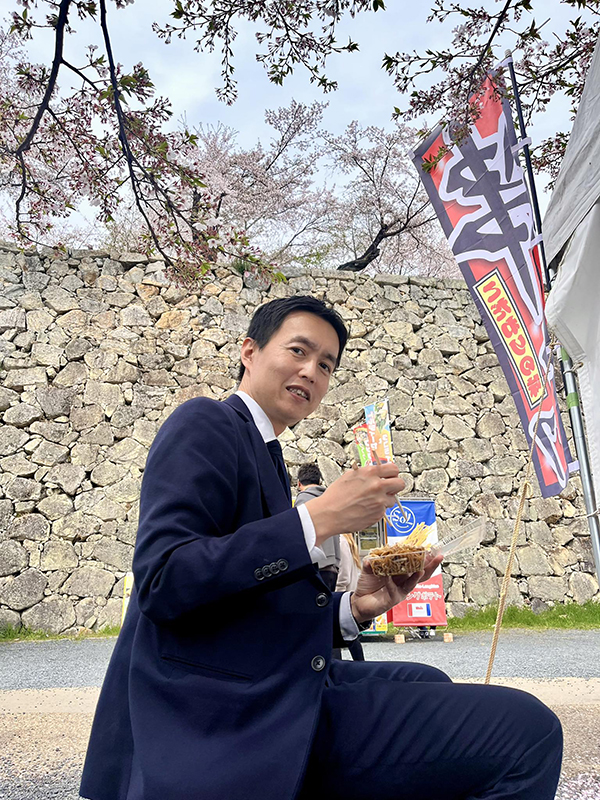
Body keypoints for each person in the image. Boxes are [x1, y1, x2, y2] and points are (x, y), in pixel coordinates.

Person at [80, 295, 562, 800]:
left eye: (326, 365)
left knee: (429, 676)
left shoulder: (266, 454)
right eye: (299, 351)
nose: (311, 371)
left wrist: (355, 608)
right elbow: (165, 581)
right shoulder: (206, 422)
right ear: (249, 351)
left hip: (260, 678)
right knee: (529, 732)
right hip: (219, 709)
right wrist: (319, 517)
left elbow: (248, 607)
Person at [295, 463, 341, 592]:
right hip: (333, 566)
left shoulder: (303, 500)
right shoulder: (331, 501)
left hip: (315, 567)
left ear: (299, 484)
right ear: (320, 481)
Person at [333, 533, 365, 661]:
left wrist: (335, 595)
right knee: (351, 635)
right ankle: (360, 664)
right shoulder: (347, 541)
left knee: (336, 633)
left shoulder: (340, 541)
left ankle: (336, 665)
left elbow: (343, 575)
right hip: (348, 595)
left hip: (343, 596)